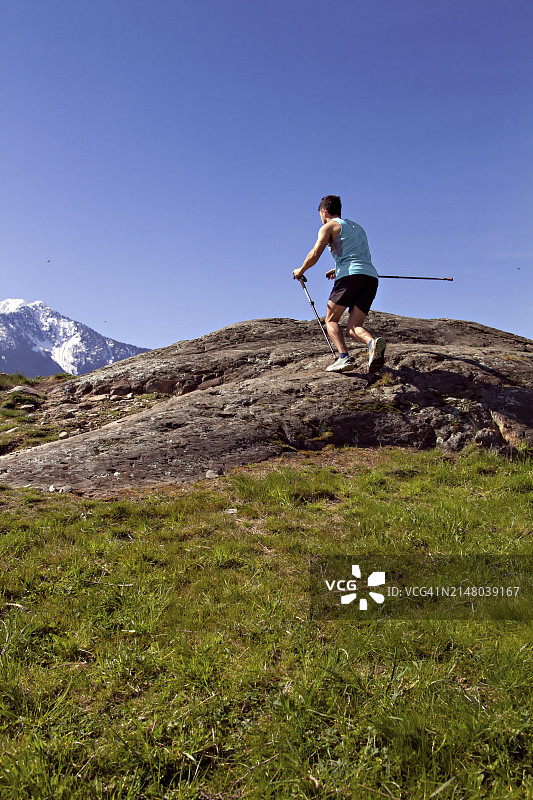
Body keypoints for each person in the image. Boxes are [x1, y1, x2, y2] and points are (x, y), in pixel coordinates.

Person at [292, 195, 386, 373]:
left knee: (331, 319)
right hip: (370, 276)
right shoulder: (358, 228)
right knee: (354, 328)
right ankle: (372, 343)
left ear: (323, 211)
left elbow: (314, 253)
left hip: (350, 277)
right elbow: (355, 253)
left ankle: (343, 358)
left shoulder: (329, 226)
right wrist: (337, 268)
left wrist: (301, 270)